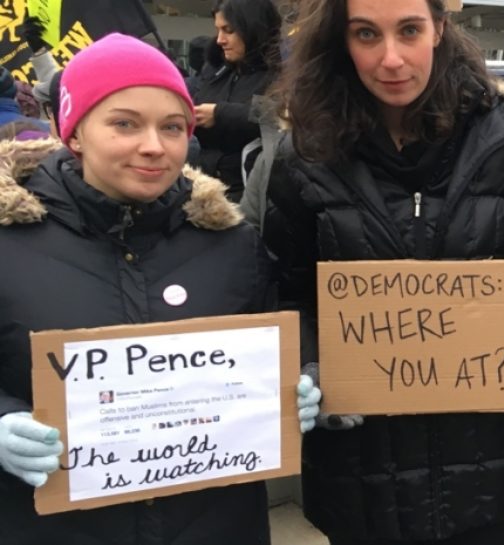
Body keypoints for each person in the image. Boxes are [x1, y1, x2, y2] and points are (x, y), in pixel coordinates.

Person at [261, 0, 504, 543]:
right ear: (340, 40)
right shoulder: (304, 153)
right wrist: (308, 366)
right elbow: (284, 287)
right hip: (362, 473)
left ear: (440, 29)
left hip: (486, 459)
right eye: (365, 34)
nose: (391, 59)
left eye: (409, 31)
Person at [0, 33, 320, 545]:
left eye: (172, 127)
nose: (153, 145)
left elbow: (281, 326)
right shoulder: (9, 242)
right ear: (75, 132)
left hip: (214, 525)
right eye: (124, 123)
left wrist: (300, 375)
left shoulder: (231, 244)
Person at [191, 0, 282, 201]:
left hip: (253, 194)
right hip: (203, 189)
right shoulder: (216, 71)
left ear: (252, 29)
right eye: (218, 30)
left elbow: (281, 117)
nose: (219, 40)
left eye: (228, 30)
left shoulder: (284, 72)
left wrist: (220, 114)